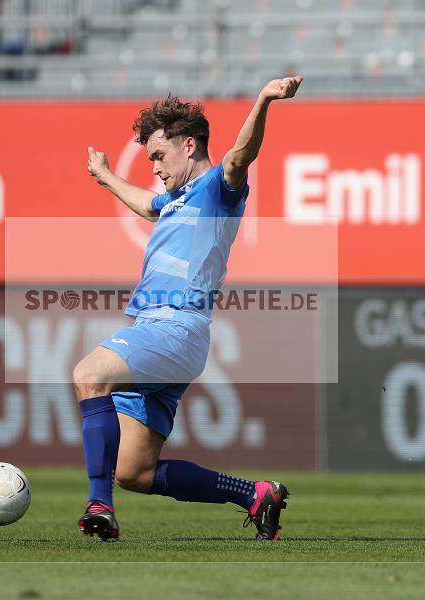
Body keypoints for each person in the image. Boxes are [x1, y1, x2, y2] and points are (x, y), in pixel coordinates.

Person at [78, 76, 303, 541]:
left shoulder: (218, 188)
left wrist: (263, 100)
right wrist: (104, 176)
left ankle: (99, 507)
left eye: (159, 156)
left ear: (189, 144)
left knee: (89, 375)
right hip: (161, 334)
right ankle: (255, 494)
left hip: (175, 328)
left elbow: (241, 156)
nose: (154, 167)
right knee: (135, 472)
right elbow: (146, 205)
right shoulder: (175, 199)